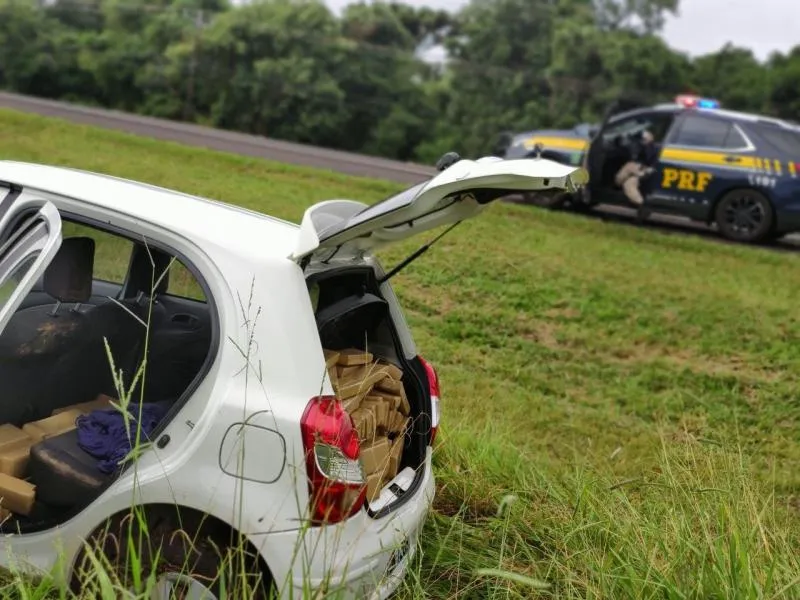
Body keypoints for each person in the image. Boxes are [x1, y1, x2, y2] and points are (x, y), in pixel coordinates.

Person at [614, 130, 657, 222]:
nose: (643, 141)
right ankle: (642, 206)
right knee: (628, 185)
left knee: (626, 170)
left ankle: (617, 183)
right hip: (639, 171)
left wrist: (647, 143)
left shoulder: (651, 147)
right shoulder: (642, 145)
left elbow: (648, 158)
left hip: (643, 169)